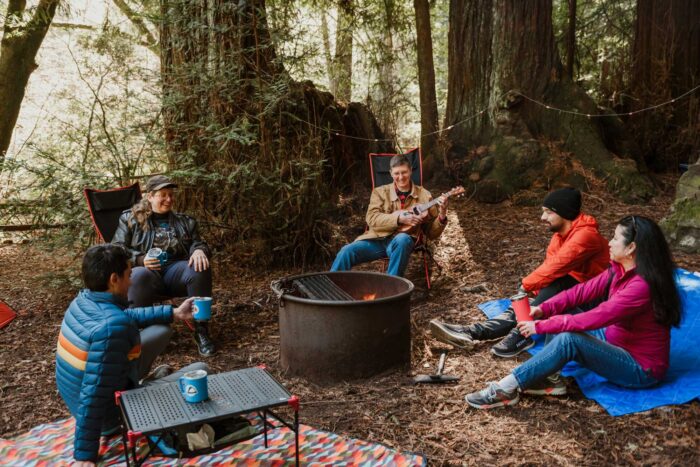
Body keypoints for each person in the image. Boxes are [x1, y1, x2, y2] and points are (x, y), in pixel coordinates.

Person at [465, 215, 682, 409]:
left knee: (569, 339)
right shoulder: (619, 271)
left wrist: (540, 326)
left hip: (639, 369)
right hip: (614, 341)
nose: (609, 242)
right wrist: (542, 309)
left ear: (631, 247)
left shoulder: (641, 286)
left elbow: (597, 317)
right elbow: (579, 292)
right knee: (562, 308)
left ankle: (506, 388)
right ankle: (548, 379)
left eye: (615, 238)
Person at [55, 244, 208, 465]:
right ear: (114, 279)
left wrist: (173, 313)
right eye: (129, 274)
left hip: (76, 395)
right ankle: (148, 388)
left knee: (161, 329)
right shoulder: (111, 329)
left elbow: (123, 316)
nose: (133, 279)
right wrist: (84, 455)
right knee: (201, 370)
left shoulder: (84, 300)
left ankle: (150, 381)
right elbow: (93, 393)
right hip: (111, 414)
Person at [430, 187, 609, 357]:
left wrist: (526, 286)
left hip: (594, 299)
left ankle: (522, 335)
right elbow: (551, 269)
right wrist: (533, 296)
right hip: (567, 293)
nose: (542, 217)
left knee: (555, 285)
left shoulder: (586, 236)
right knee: (527, 303)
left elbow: (556, 267)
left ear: (563, 213)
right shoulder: (559, 235)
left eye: (548, 212)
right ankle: (472, 332)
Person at [112, 175, 215, 356]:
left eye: (171, 195)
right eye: (163, 195)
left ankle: (201, 330)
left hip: (176, 272)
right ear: (150, 196)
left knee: (199, 267)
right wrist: (140, 259)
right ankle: (139, 334)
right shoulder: (130, 219)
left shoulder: (185, 221)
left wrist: (199, 250)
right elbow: (116, 248)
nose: (169, 199)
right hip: (146, 273)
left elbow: (198, 243)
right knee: (139, 274)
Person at [330, 154, 448, 277]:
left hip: (402, 243)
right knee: (346, 252)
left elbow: (432, 234)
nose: (401, 177)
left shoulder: (424, 195)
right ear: (391, 173)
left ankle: (393, 290)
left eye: (404, 172)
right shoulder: (379, 192)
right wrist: (398, 218)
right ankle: (331, 291)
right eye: (397, 173)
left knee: (402, 239)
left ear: (411, 171)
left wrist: (442, 213)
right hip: (377, 240)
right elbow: (371, 218)